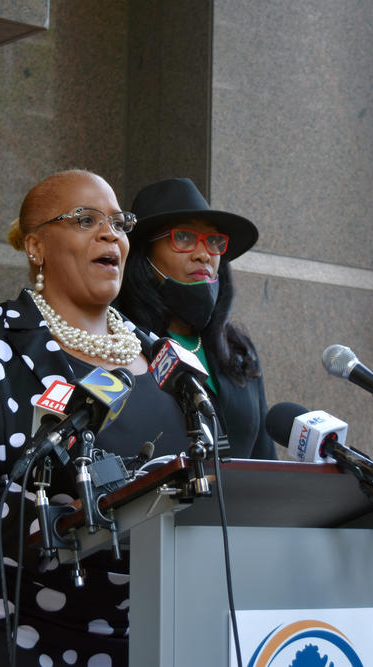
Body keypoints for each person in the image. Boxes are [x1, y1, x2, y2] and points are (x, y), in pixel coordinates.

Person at [0, 170, 194, 666]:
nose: (110, 234)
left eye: (118, 222)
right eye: (85, 220)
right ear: (36, 247)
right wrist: (40, 524)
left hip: (136, 635)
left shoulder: (165, 361)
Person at [116, 177, 276, 460]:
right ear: (144, 254)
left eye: (213, 241)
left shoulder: (238, 351)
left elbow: (266, 458)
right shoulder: (119, 344)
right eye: (185, 237)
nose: (204, 254)